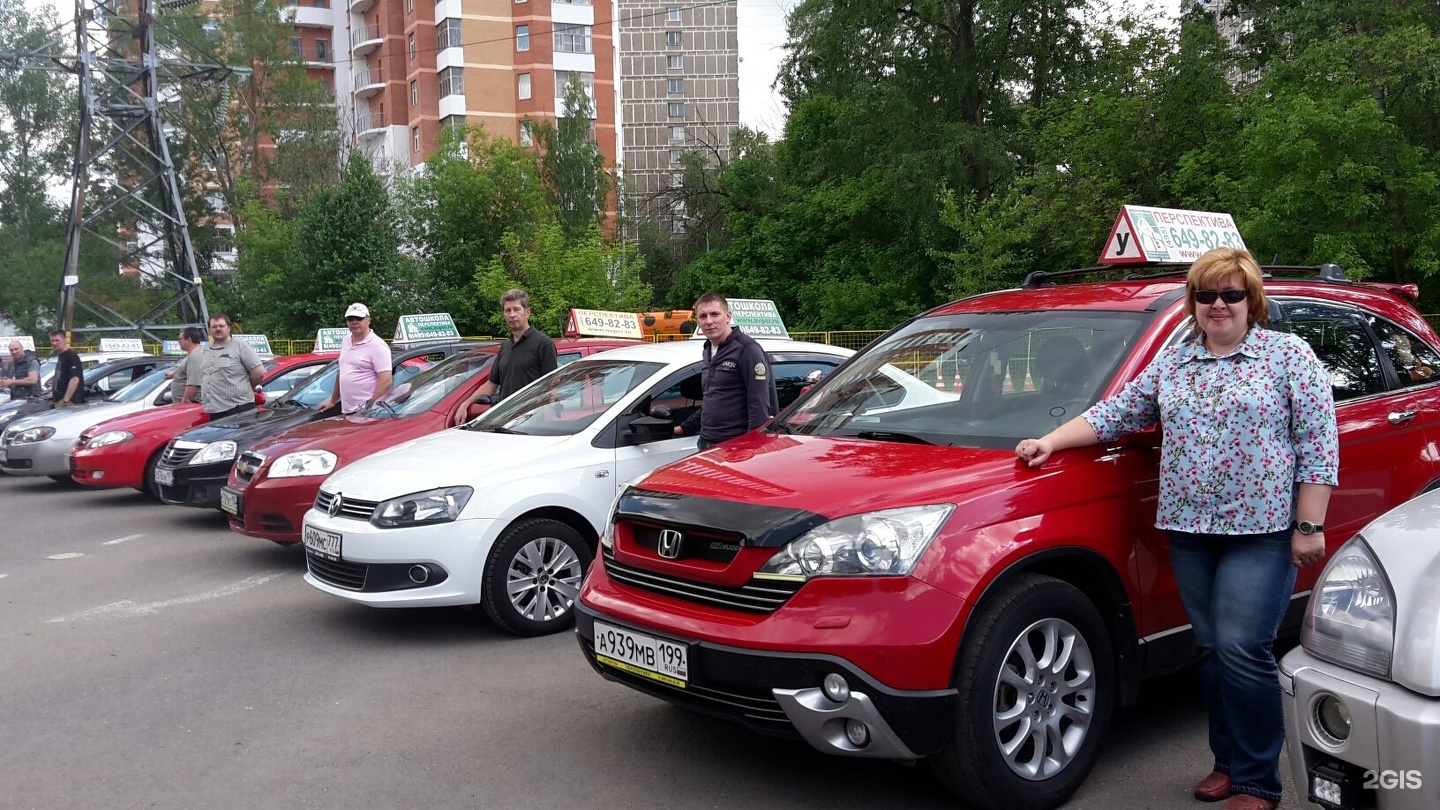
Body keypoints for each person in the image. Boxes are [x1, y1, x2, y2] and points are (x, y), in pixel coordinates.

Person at [1014, 248, 1338, 810]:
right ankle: (1227, 762)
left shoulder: (1288, 356)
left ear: (1251, 300)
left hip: (1261, 530)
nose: (1218, 305)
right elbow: (1116, 412)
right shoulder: (1175, 362)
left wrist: (1309, 524)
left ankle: (1259, 781)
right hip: (1190, 529)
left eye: (1231, 294)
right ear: (1193, 302)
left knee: (1242, 647)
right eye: (1206, 294)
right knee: (1211, 649)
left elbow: (1318, 445)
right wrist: (1050, 441)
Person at [674, 292, 773, 449]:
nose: (709, 321)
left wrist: (750, 447)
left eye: (715, 314)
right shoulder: (708, 349)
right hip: (706, 441)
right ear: (697, 321)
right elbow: (712, 398)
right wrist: (684, 427)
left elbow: (759, 405)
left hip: (734, 445)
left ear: (728, 316)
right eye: (703, 316)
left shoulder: (747, 350)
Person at [454, 289, 556, 423]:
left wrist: (550, 419)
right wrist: (465, 405)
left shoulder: (543, 343)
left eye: (516, 309)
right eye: (508, 310)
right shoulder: (505, 347)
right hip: (505, 421)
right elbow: (491, 385)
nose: (512, 315)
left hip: (533, 422)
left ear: (527, 312)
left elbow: (552, 385)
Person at [185, 313, 264, 420]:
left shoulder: (240, 346)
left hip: (238, 409)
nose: (218, 329)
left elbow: (258, 373)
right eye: (214, 327)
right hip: (214, 411)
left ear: (229, 328)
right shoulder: (207, 349)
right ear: (209, 330)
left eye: (221, 326)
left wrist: (244, 387)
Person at [320, 303, 392, 414]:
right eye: (350, 319)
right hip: (348, 410)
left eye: (359, 318)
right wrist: (333, 400)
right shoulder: (346, 340)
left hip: (367, 413)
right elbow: (342, 372)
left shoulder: (377, 345)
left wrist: (369, 407)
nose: (354, 322)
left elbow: (386, 381)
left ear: (368, 320)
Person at [49, 330, 86, 408]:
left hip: (69, 403)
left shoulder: (71, 356)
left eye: (57, 340)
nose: (54, 343)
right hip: (59, 399)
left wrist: (66, 400)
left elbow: (75, 379)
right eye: (52, 341)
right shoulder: (61, 356)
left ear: (64, 340)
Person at [169, 326, 206, 404]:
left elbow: (194, 383)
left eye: (180, 339)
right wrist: (174, 374)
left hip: (189, 405)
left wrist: (184, 401)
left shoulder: (196, 357)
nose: (178, 342)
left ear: (189, 339)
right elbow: (191, 372)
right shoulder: (195, 354)